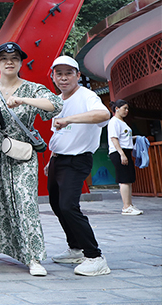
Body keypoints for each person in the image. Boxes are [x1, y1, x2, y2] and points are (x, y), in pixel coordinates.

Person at [0, 42, 62, 276]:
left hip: (23, 154)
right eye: (4, 58)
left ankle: (33, 257)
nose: (9, 62)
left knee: (26, 203)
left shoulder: (32, 89)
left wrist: (24, 100)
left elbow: (56, 105)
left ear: (20, 62)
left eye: (14, 58)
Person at [48, 55, 112, 276]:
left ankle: (95, 257)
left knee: (68, 206)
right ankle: (76, 248)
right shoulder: (57, 100)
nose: (64, 78)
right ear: (53, 76)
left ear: (78, 75)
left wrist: (70, 119)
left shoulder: (86, 95)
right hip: (58, 159)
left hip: (77, 159)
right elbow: (59, 133)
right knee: (57, 205)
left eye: (69, 73)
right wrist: (52, 158)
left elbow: (104, 114)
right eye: (59, 74)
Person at [108, 99, 143, 216]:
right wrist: (121, 154)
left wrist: (136, 138)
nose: (127, 111)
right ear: (117, 109)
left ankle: (129, 204)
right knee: (124, 179)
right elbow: (114, 139)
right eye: (124, 108)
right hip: (119, 151)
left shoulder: (122, 122)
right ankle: (126, 207)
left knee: (128, 179)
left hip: (126, 150)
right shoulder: (114, 122)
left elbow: (124, 137)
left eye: (128, 109)